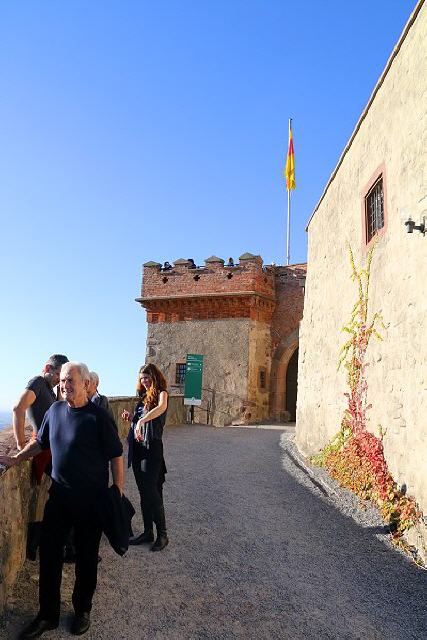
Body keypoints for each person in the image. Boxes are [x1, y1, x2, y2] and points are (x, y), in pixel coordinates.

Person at [0, 362, 124, 638]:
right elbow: (40, 443)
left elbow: (116, 454)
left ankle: (82, 610)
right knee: (49, 556)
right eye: (63, 380)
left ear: (85, 385)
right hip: (59, 499)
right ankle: (47, 615)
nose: (65, 385)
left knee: (86, 559)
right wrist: (16, 457)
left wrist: (117, 491)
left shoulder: (98, 417)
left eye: (71, 380)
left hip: (91, 503)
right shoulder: (54, 411)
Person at [122, 363, 169, 552]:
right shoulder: (142, 397)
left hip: (152, 448)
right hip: (138, 448)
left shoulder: (162, 394)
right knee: (143, 491)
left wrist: (142, 419)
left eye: (147, 377)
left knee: (151, 490)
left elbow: (161, 408)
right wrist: (133, 417)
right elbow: (139, 421)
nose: (144, 381)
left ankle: (163, 534)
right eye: (142, 378)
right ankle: (148, 532)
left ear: (155, 377)